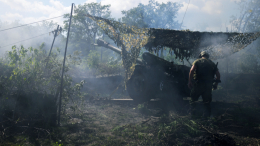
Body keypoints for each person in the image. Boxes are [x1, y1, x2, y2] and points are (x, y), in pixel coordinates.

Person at [188, 51, 221, 117]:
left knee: (193, 100)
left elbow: (192, 70)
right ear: (207, 56)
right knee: (207, 102)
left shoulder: (197, 61)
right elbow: (218, 75)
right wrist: (216, 84)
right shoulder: (212, 63)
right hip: (208, 86)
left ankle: (192, 116)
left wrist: (189, 81)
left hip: (198, 84)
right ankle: (206, 118)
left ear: (201, 55)